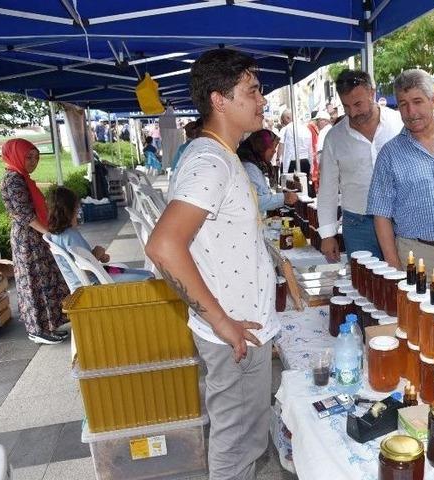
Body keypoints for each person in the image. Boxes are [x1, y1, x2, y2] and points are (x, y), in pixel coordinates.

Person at [145, 49, 277, 480]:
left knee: (243, 443)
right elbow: (164, 246)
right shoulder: (211, 161)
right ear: (220, 100)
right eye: (252, 90)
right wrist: (221, 321)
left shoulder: (220, 154)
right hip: (234, 334)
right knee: (236, 448)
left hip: (239, 327)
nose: (262, 99)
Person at [367, 69, 434, 271]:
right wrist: (394, 266)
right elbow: (381, 215)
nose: (411, 112)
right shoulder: (390, 154)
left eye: (417, 101)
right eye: (403, 104)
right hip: (414, 256)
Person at [317, 69, 403, 261]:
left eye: (358, 104)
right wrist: (327, 235)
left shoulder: (398, 123)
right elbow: (328, 188)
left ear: (372, 93)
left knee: (404, 276)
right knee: (363, 279)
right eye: (346, 106)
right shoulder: (334, 137)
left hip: (400, 220)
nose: (353, 113)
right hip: (358, 225)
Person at [0, 139, 70, 345]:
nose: (33, 161)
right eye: (28, 157)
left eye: (36, 157)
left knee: (44, 279)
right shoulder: (14, 179)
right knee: (34, 282)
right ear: (16, 156)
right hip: (28, 239)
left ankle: (48, 325)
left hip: (34, 236)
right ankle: (38, 329)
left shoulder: (21, 177)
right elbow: (25, 214)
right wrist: (49, 233)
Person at [46, 187, 153, 291]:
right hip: (94, 285)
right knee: (149, 278)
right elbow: (86, 268)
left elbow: (82, 260)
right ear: (71, 209)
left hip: (85, 282)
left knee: (143, 273)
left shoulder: (57, 235)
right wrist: (97, 253)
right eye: (77, 207)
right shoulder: (70, 236)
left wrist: (97, 255)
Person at [237, 129, 298, 213]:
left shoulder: (257, 165)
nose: (274, 151)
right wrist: (284, 198)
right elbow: (254, 202)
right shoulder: (249, 168)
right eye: (271, 146)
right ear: (261, 147)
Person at [277, 109, 313, 175]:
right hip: (305, 161)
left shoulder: (289, 128)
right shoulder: (306, 129)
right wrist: (311, 166)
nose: (283, 123)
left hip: (293, 162)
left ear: (288, 118)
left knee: (292, 181)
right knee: (304, 181)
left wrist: (285, 170)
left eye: (283, 120)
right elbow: (310, 149)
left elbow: (288, 150)